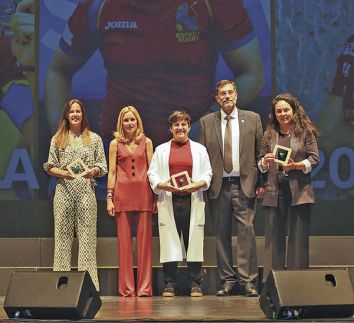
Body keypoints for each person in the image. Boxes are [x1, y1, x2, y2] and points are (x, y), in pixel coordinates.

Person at [45, 0, 264, 145]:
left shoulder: (213, 4)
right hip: (118, 153)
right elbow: (58, 71)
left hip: (191, 152)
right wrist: (63, 142)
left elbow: (251, 75)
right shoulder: (99, 7)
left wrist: (204, 127)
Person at [199, 79, 262, 297]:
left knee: (247, 233)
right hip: (218, 187)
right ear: (216, 98)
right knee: (220, 234)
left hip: (244, 184)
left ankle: (248, 281)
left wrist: (260, 183)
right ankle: (227, 280)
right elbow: (202, 160)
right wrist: (203, 188)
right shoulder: (207, 122)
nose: (226, 96)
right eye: (222, 94)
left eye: (230, 92)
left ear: (236, 95)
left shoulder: (252, 119)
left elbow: (259, 155)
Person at [43, 99, 107, 291]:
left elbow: (102, 165)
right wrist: (64, 174)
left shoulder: (94, 139)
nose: (75, 114)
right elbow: (50, 166)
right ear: (66, 115)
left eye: (78, 111)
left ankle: (89, 288)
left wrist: (93, 172)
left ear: (83, 115)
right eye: (72, 112)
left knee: (87, 241)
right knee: (62, 239)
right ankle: (61, 287)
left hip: (87, 192)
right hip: (63, 192)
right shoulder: (57, 139)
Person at [148, 111, 212, 297]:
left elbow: (208, 173)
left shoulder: (200, 149)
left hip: (193, 199)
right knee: (169, 242)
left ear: (189, 127)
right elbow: (152, 174)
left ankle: (195, 283)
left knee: (193, 241)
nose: (180, 128)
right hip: (170, 200)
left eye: (184, 124)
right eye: (176, 125)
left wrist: (197, 184)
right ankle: (170, 283)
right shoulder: (161, 150)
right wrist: (162, 185)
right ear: (171, 128)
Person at [258, 93, 319, 283]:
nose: (283, 114)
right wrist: (265, 162)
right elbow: (259, 163)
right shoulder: (269, 134)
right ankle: (272, 285)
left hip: (299, 192)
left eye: (286, 110)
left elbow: (314, 159)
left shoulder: (305, 132)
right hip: (274, 191)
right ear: (274, 114)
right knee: (273, 241)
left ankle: (297, 284)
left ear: (294, 110)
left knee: (298, 239)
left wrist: (297, 166)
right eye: (279, 111)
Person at [106, 106, 154, 297]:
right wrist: (109, 197)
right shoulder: (114, 144)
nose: (129, 123)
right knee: (124, 245)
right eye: (125, 120)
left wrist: (156, 196)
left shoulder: (147, 142)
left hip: (144, 194)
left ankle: (144, 288)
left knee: (145, 244)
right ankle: (126, 288)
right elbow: (112, 172)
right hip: (122, 195)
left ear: (138, 121)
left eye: (132, 119)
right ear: (121, 123)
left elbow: (152, 170)